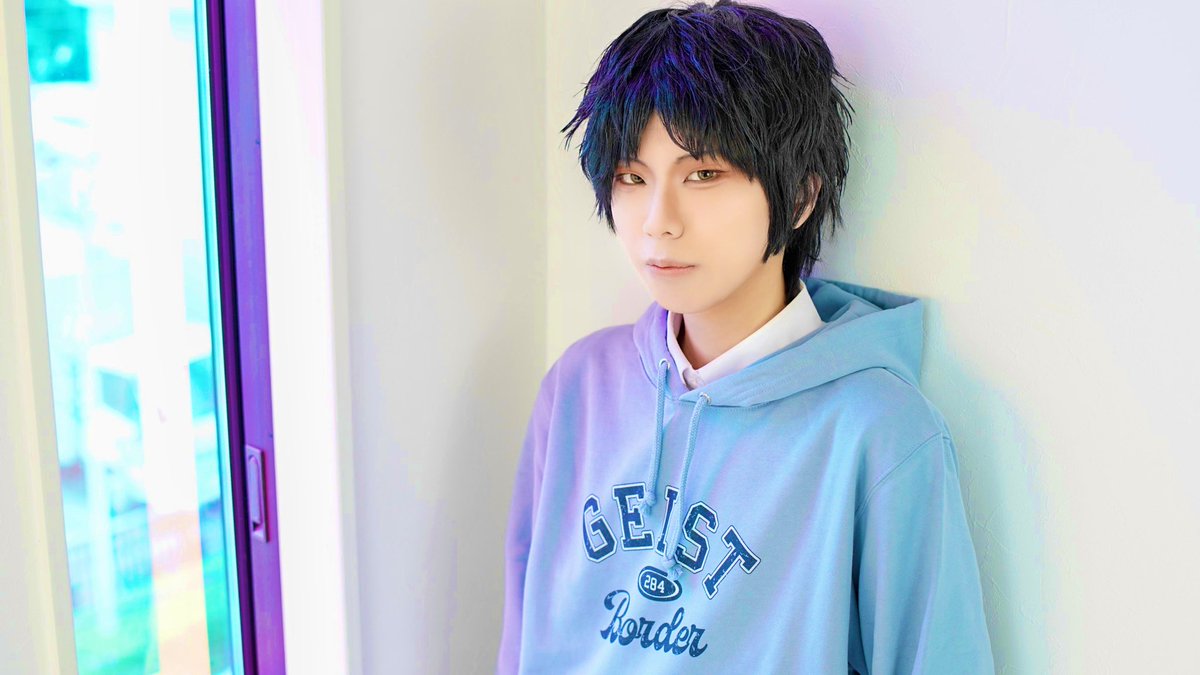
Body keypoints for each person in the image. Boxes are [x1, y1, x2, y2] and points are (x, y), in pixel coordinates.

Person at [496, 1, 994, 672]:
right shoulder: (579, 386)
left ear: (800, 197)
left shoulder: (879, 432)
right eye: (632, 178)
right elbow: (523, 641)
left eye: (703, 174)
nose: (658, 221)